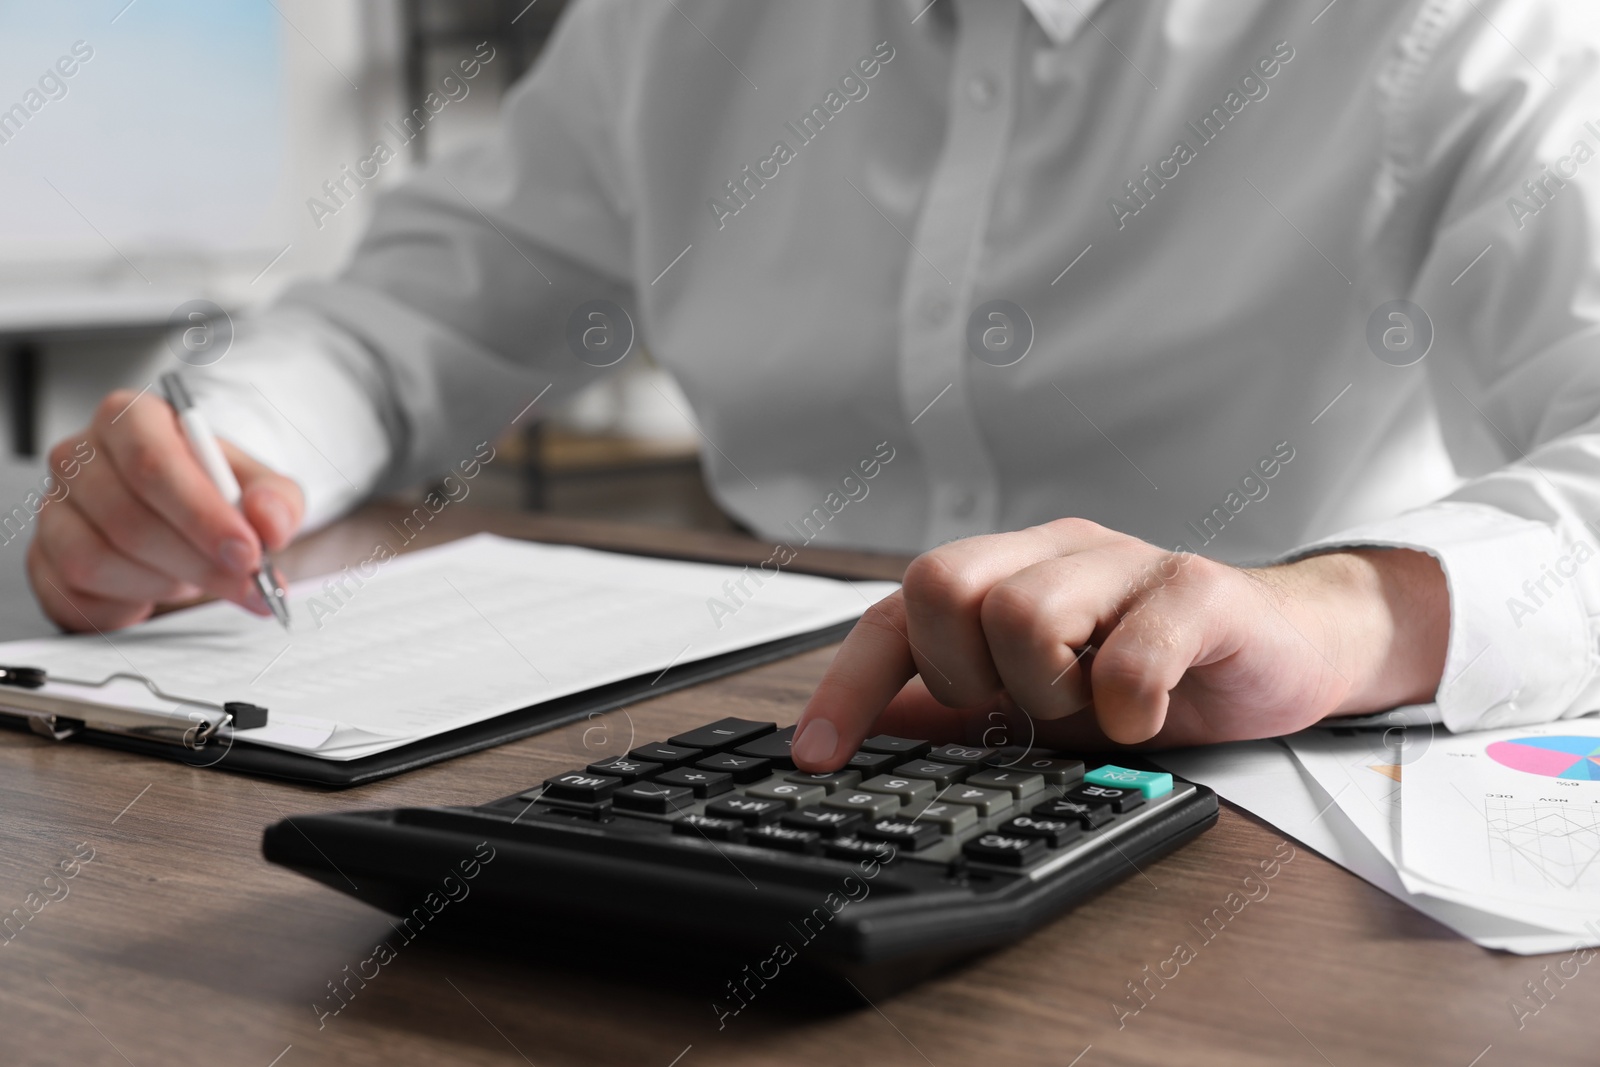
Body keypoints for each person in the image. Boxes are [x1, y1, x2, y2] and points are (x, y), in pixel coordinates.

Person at [27, 0, 1600, 773]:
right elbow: (397, 319)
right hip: (750, 737)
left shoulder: (1467, 26)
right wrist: (219, 459)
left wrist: (1344, 616)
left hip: (1267, 776)